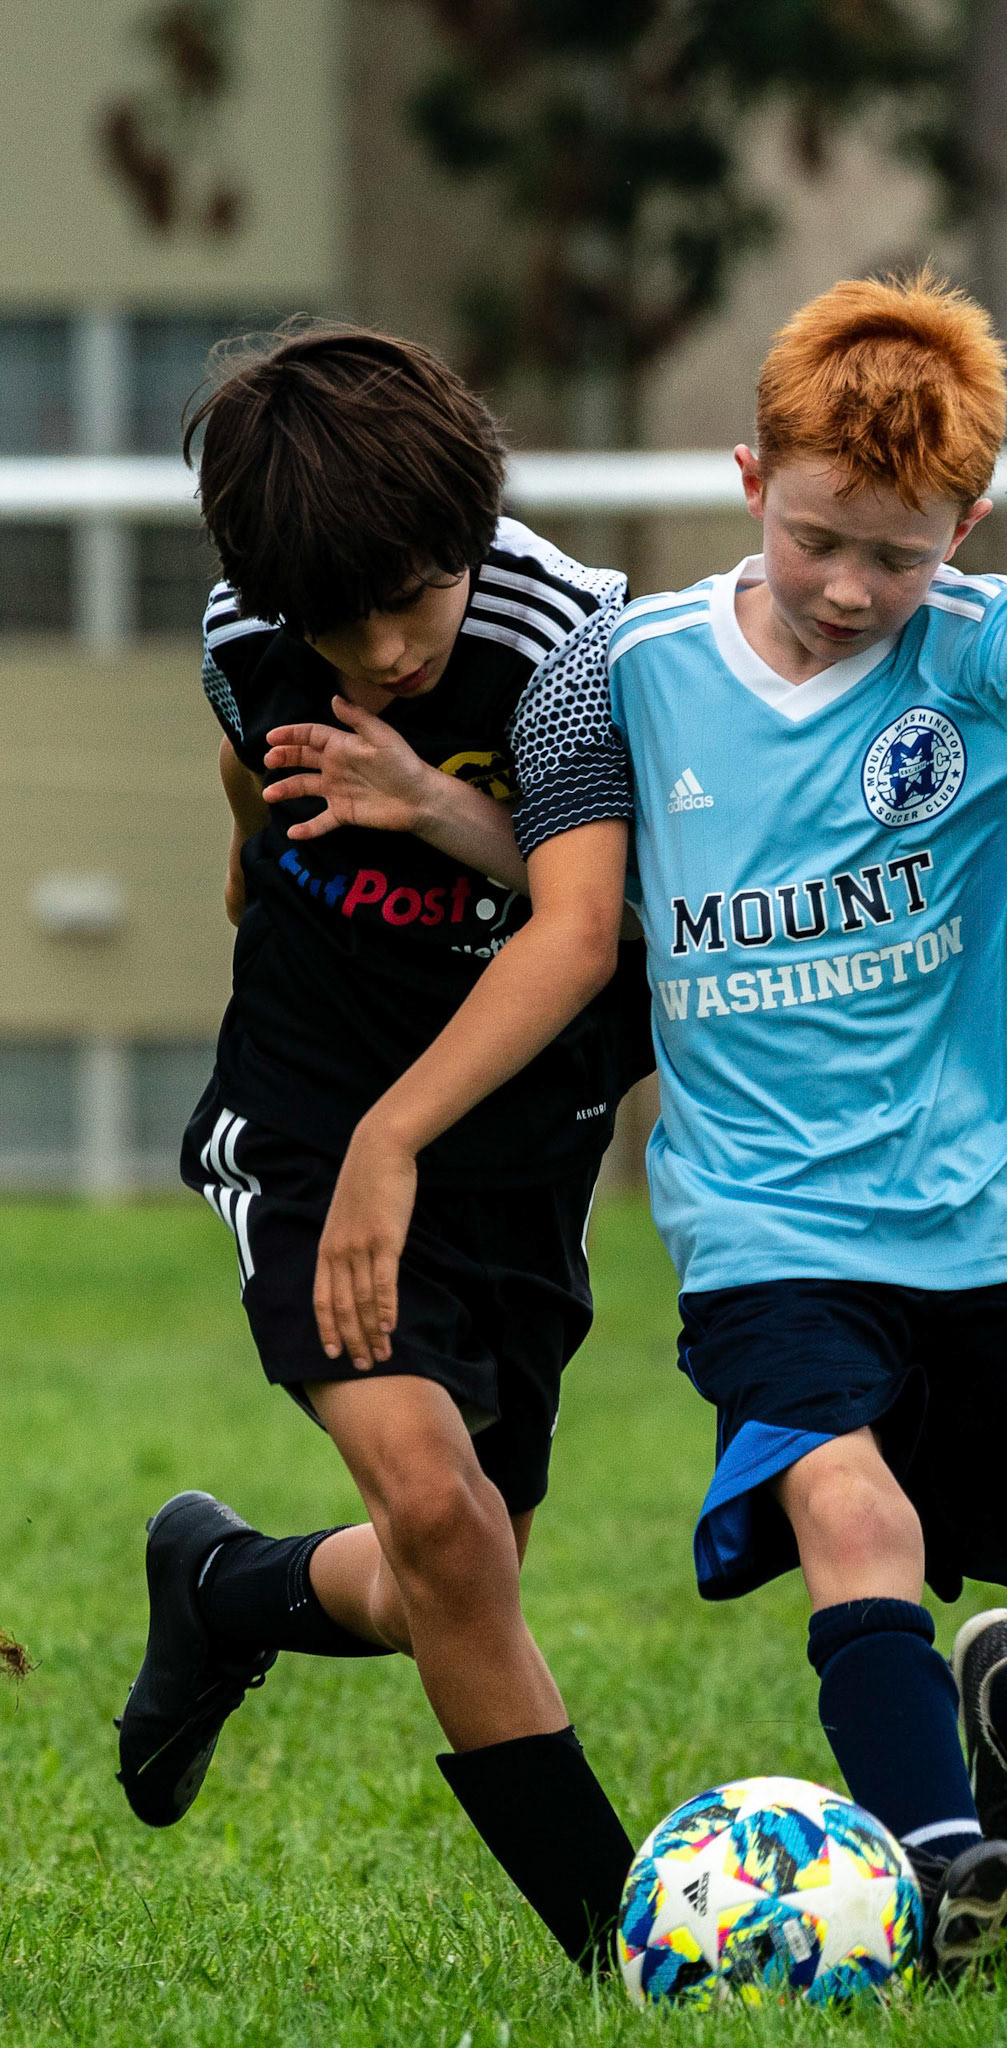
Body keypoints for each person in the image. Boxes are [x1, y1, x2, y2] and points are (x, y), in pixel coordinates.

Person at [306, 275, 1007, 1986]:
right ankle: (936, 1865)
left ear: (961, 526)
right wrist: (444, 814)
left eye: (894, 555)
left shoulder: (982, 653)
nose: (848, 587)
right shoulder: (640, 671)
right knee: (849, 1503)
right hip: (763, 1220)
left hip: (990, 1220)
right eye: (820, 536)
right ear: (752, 480)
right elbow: (584, 900)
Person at [115, 325, 651, 1971]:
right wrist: (245, 858)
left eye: (409, 602)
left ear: (469, 531)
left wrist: (425, 807)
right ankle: (634, 1952)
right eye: (337, 626)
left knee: (464, 1565)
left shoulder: (570, 641)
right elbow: (241, 747)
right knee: (440, 1521)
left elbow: (580, 926)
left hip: (506, 1130)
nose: (382, 648)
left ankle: (225, 1586)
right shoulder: (253, 621)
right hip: (304, 1106)